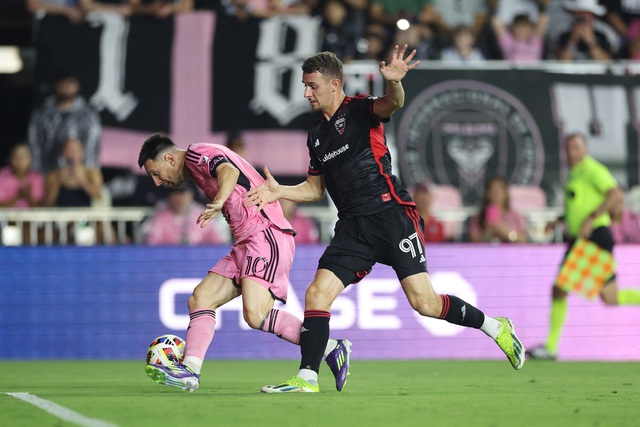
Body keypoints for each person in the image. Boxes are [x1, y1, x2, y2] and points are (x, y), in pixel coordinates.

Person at [244, 45, 525, 394]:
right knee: (317, 293)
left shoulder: (360, 109)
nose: (306, 93)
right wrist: (280, 191)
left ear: (335, 84)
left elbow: (392, 104)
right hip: (353, 227)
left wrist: (394, 84)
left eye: (312, 85)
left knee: (425, 303)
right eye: (304, 85)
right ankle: (308, 377)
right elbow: (316, 190)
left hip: (390, 214)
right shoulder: (316, 134)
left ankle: (495, 327)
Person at [137, 133, 351, 393]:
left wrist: (218, 202)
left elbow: (228, 171)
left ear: (170, 158)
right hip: (246, 243)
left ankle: (328, 346)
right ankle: (190, 371)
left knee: (256, 313)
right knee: (201, 298)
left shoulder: (196, 154)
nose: (158, 182)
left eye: (156, 173)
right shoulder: (195, 166)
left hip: (265, 234)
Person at [527, 133, 640, 360]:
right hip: (589, 239)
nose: (571, 152)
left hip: (593, 238)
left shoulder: (592, 169)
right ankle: (550, 348)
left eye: (576, 148)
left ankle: (550, 347)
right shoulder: (575, 174)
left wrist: (592, 217)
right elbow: (577, 209)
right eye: (568, 148)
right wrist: (559, 220)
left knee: (559, 289)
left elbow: (615, 195)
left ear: (585, 149)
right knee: (610, 297)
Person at [27, 71, 102, 174]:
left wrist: (88, 171)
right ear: (56, 86)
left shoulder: (88, 114)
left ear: (77, 86)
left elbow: (92, 143)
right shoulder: (42, 113)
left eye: (70, 83)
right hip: (48, 170)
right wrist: (36, 170)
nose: (66, 87)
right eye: (63, 84)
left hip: (80, 172)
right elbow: (34, 141)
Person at [144, 182, 231, 246]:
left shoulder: (203, 215)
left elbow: (219, 242)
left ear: (191, 195)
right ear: (169, 197)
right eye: (176, 194)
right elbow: (151, 245)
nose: (180, 199)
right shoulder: (160, 218)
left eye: (183, 194)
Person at [43, 138, 104, 208]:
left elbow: (98, 196)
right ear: (63, 153)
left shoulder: (91, 173)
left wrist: (83, 181)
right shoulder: (54, 175)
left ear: (81, 152)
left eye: (74, 150)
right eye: (68, 150)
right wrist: (59, 180)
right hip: (61, 216)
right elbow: (48, 202)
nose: (71, 154)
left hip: (84, 216)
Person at [469, 176, 528, 243]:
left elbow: (523, 239)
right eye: (492, 190)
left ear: (506, 194)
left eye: (499, 190)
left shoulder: (515, 216)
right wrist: (488, 230)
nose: (496, 194)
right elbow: (473, 242)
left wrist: (505, 232)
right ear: (487, 193)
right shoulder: (478, 218)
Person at [0, 143, 44, 208]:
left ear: (31, 160)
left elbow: (41, 207)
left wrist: (28, 195)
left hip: (31, 217)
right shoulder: (2, 176)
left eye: (23, 157)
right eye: (16, 157)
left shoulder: (37, 178)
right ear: (10, 159)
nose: (19, 161)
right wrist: (18, 196)